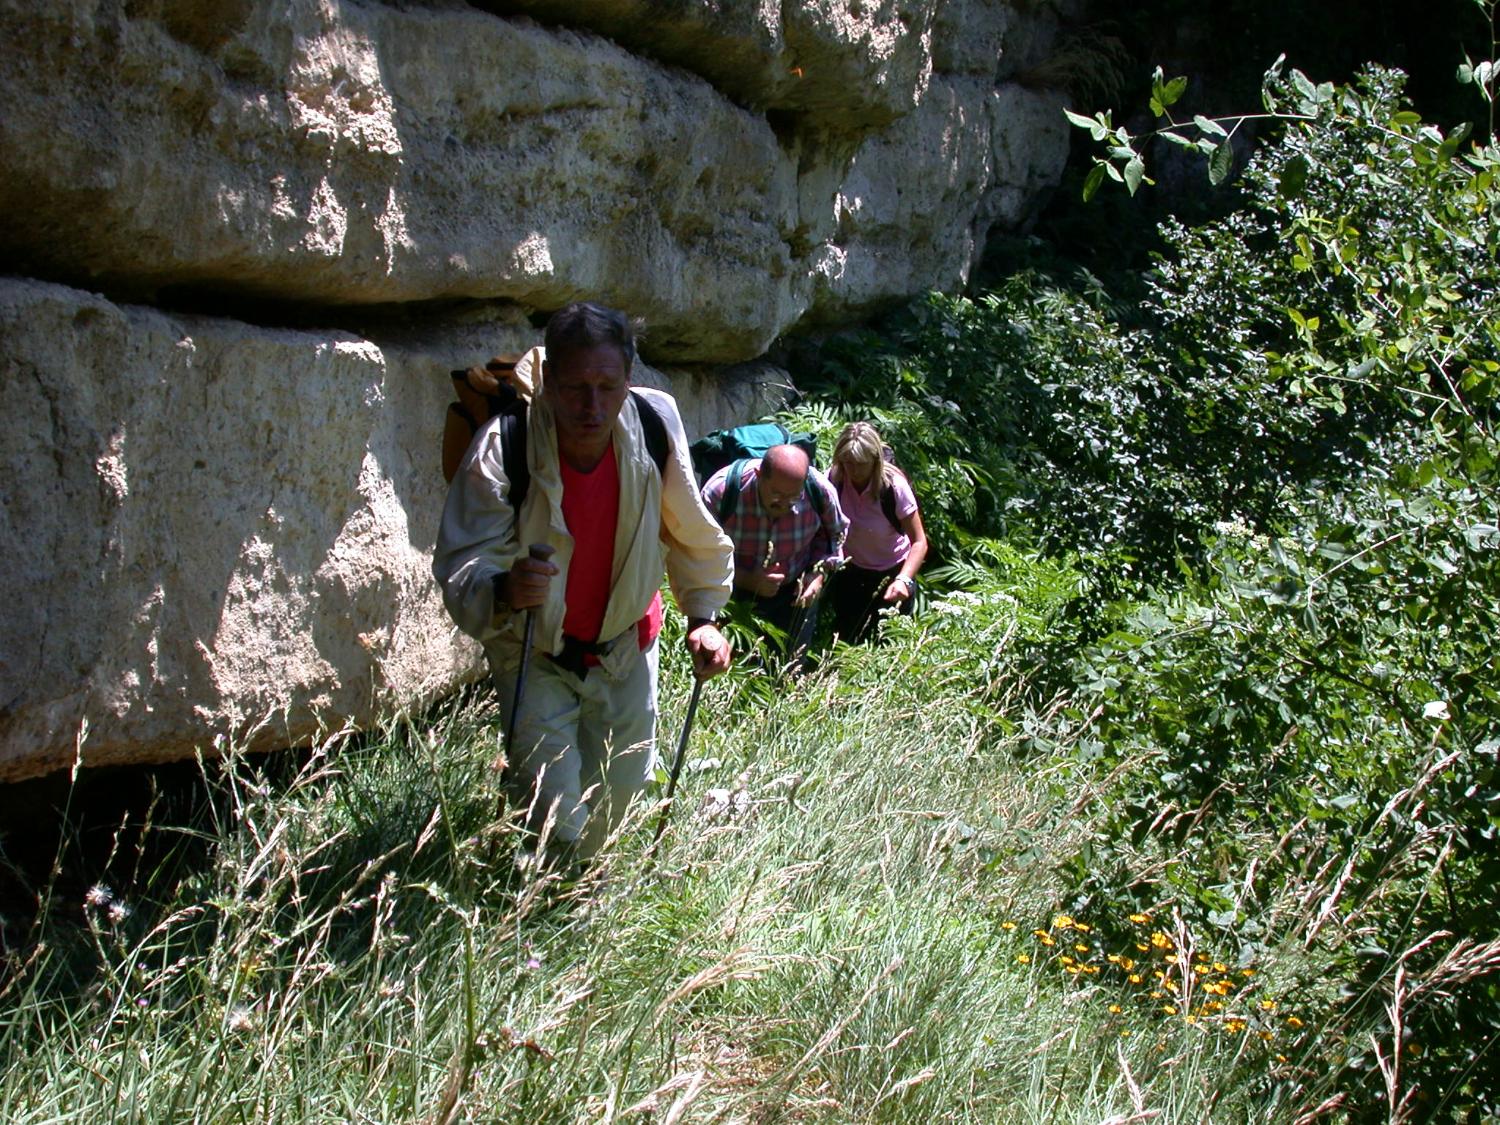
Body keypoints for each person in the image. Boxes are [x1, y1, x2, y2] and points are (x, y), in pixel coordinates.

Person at [432, 302, 734, 867]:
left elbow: (689, 525)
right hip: (536, 651)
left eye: (607, 386)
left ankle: (592, 909)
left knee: (619, 800)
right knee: (554, 813)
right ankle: (543, 916)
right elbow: (463, 557)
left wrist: (704, 618)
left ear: (628, 379)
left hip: (627, 644)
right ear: (547, 381)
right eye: (574, 388)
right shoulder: (509, 443)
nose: (592, 406)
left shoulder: (652, 422)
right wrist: (503, 588)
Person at [700, 444, 847, 664]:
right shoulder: (722, 492)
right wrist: (746, 579)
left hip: (794, 597)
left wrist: (818, 576)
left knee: (788, 668)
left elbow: (834, 538)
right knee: (734, 669)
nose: (785, 504)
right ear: (759, 475)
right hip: (733, 597)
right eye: (777, 494)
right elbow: (697, 554)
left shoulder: (820, 491)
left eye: (793, 496)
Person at [825, 422, 928, 644]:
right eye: (847, 463)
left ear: (875, 460)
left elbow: (919, 542)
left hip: (892, 572)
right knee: (847, 640)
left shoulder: (894, 488)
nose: (853, 471)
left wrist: (903, 580)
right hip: (850, 573)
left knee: (890, 643)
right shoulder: (835, 480)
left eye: (860, 464)